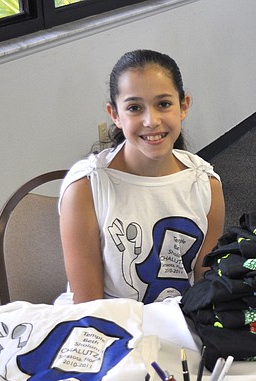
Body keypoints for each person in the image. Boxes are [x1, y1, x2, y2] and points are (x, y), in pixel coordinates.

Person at [59, 49, 225, 304]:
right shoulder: (87, 187)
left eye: (163, 104)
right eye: (135, 108)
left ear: (183, 106)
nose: (151, 120)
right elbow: (88, 305)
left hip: (180, 323)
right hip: (105, 326)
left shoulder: (205, 183)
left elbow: (205, 284)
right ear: (115, 115)